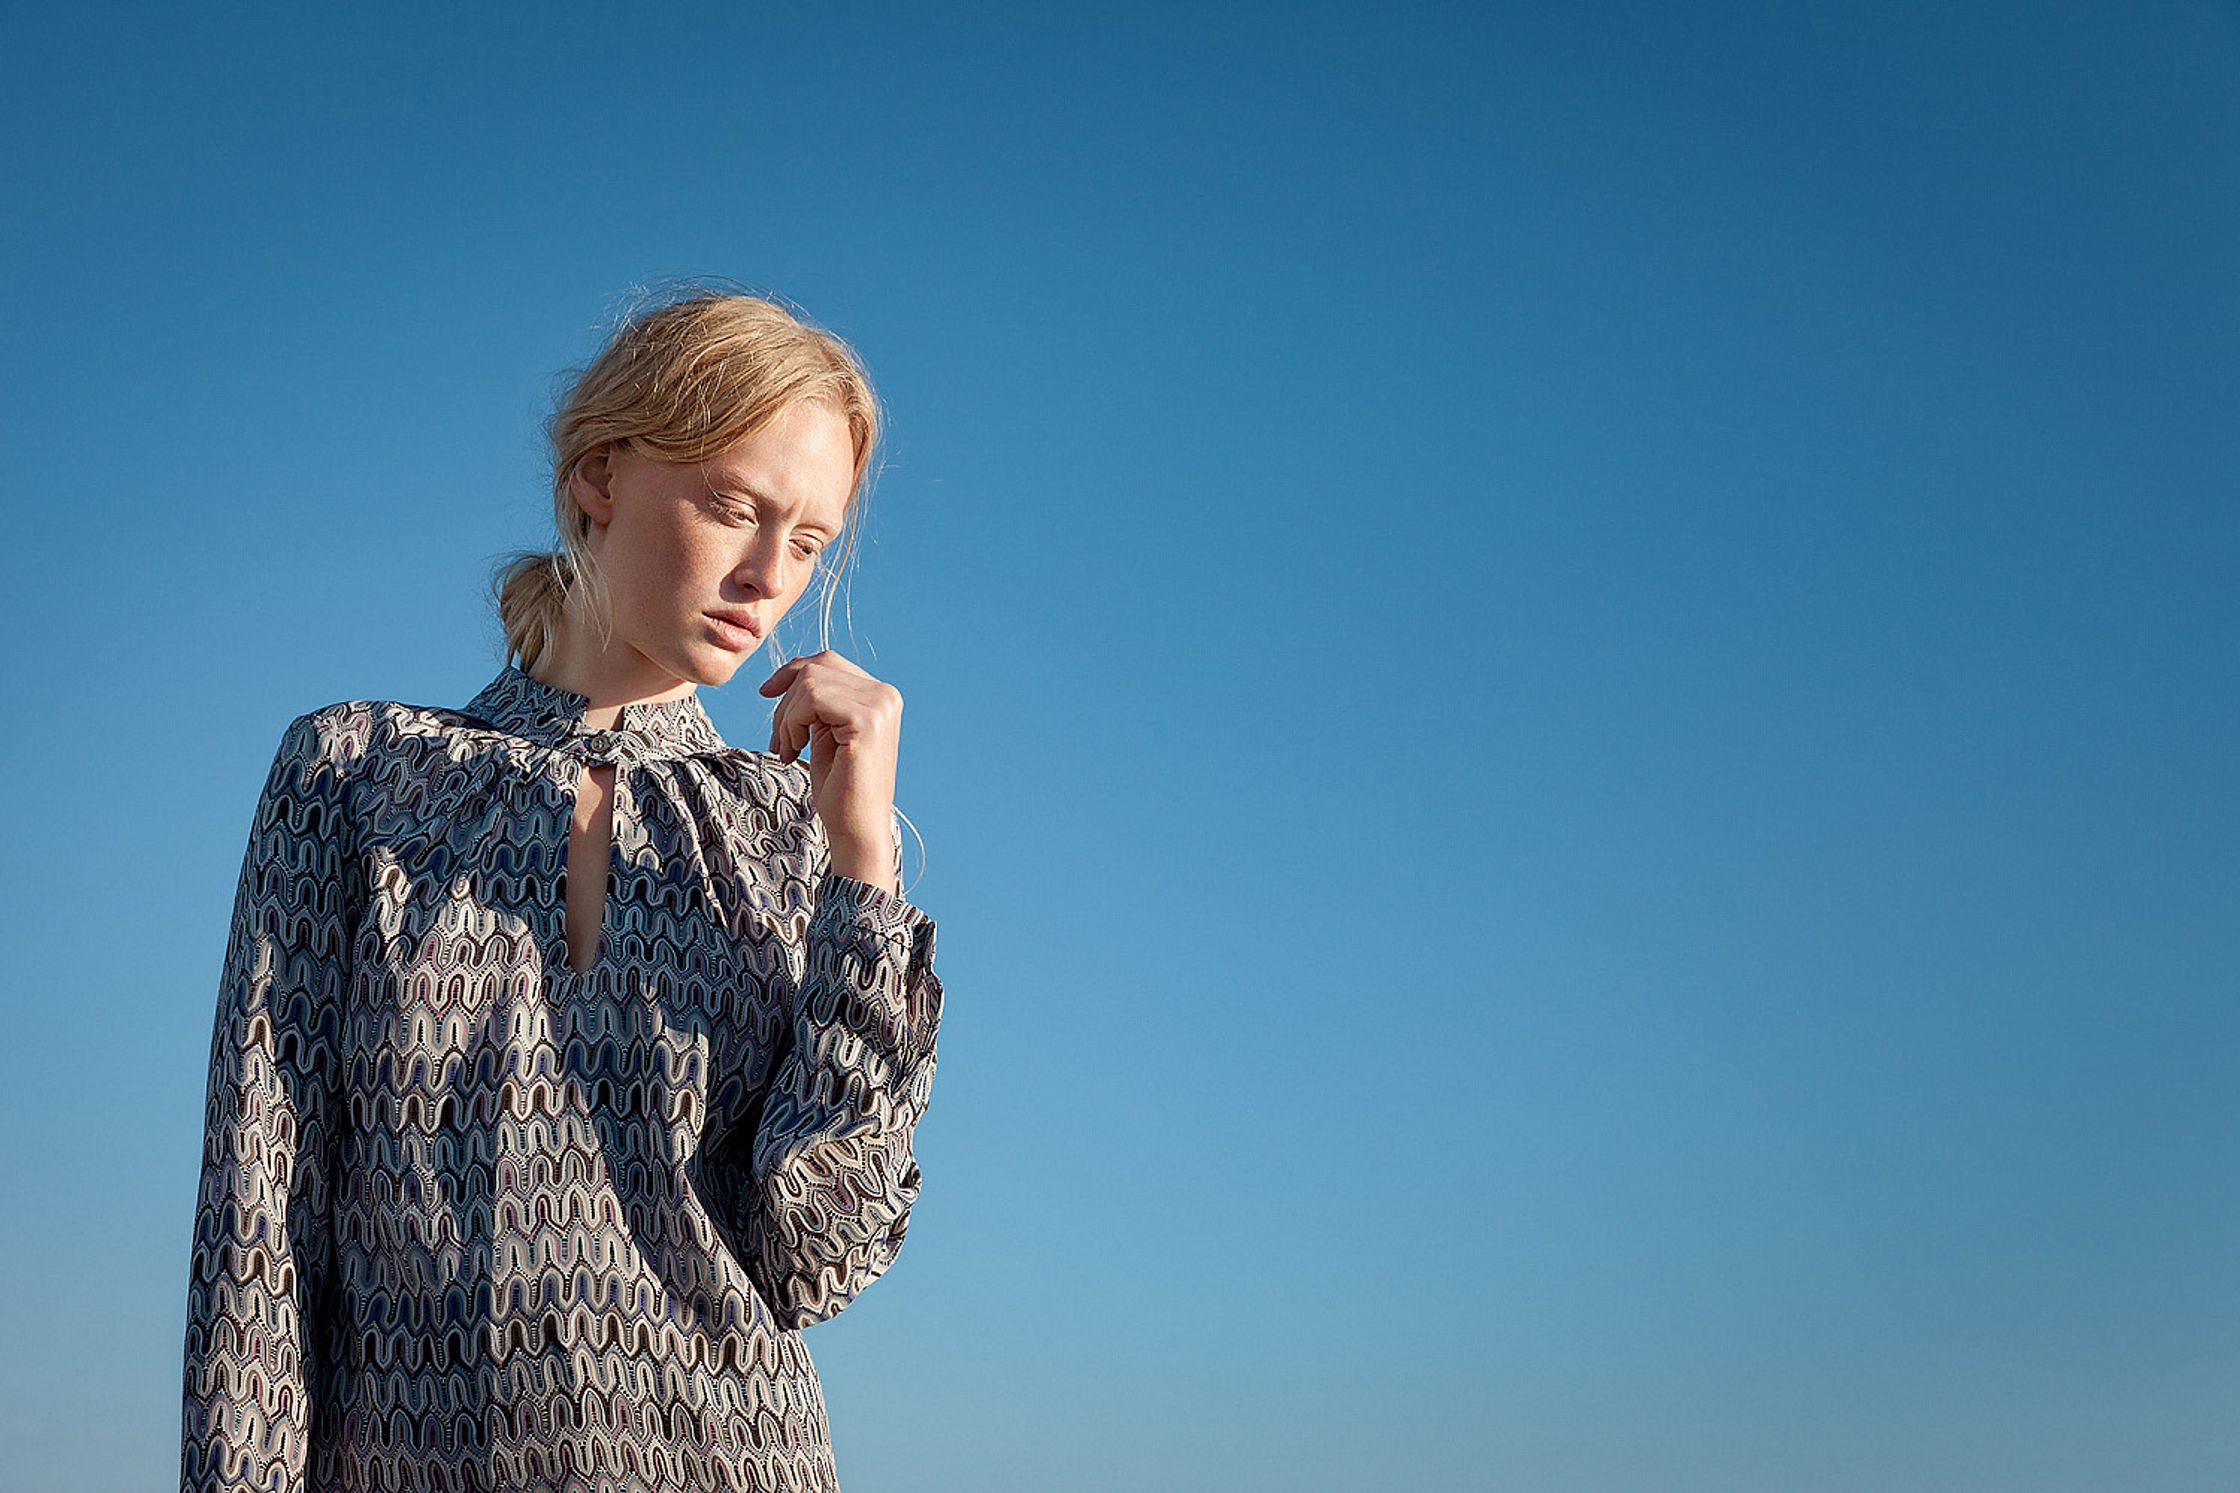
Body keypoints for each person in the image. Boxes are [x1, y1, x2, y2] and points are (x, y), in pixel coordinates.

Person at [179, 288, 946, 1493]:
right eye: (733, 506)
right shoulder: (358, 777)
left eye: (805, 540)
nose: (765, 576)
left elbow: (816, 1251)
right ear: (599, 475)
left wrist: (861, 865)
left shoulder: (783, 836)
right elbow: (259, 1226)